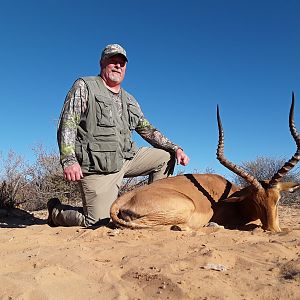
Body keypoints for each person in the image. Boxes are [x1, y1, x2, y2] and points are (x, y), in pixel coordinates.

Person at [48, 43, 189, 227]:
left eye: (121, 63)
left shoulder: (129, 99)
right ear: (102, 63)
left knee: (165, 156)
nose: (117, 66)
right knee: (99, 222)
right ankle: (56, 211)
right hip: (99, 168)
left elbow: (147, 129)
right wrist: (69, 160)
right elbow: (68, 122)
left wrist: (176, 148)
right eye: (112, 61)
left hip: (127, 159)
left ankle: (154, 206)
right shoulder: (85, 86)